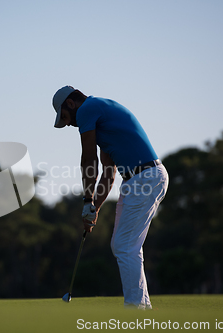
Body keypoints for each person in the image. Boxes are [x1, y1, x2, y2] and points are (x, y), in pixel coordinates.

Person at [52, 85, 169, 310]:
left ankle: (135, 309)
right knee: (127, 246)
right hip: (142, 177)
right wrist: (94, 207)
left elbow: (88, 160)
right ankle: (142, 307)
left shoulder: (87, 109)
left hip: (143, 177)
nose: (68, 124)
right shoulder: (102, 114)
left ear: (70, 103)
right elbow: (108, 171)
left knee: (124, 246)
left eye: (66, 117)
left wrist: (87, 201)